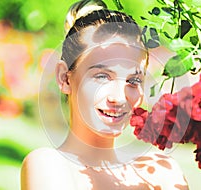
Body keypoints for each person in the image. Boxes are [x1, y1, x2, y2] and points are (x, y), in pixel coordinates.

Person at [21, 0, 189, 189]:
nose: (118, 98)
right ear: (65, 78)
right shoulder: (49, 165)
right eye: (102, 77)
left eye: (133, 81)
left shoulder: (162, 171)